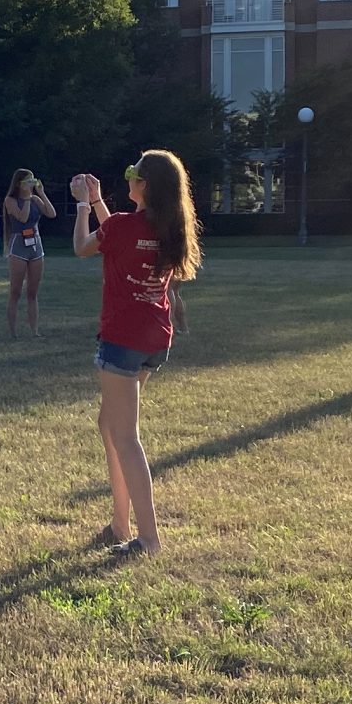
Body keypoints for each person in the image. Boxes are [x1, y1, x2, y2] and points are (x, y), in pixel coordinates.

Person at [71, 150, 201, 557]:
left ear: (143, 185)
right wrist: (96, 201)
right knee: (109, 426)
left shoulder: (125, 226)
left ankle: (148, 538)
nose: (127, 177)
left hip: (121, 341)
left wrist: (81, 205)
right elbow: (119, 234)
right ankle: (119, 523)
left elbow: (84, 246)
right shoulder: (168, 227)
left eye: (132, 173)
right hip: (153, 341)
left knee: (125, 437)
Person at [2, 169, 57, 338]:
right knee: (16, 291)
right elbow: (23, 218)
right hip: (19, 246)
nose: (31, 184)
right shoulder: (10, 200)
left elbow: (51, 213)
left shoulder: (35, 199)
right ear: (19, 184)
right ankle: (13, 331)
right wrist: (26, 198)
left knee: (32, 292)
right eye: (27, 181)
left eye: (32, 180)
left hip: (35, 245)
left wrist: (41, 193)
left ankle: (35, 330)